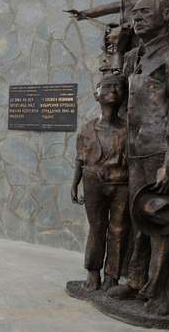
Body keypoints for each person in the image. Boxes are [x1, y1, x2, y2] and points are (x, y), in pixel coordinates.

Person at [106, 0, 169, 316]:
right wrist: (116, 45)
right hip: (137, 151)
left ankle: (165, 294)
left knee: (163, 223)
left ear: (167, 15)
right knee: (138, 220)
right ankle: (137, 282)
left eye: (144, 13)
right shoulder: (134, 57)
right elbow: (115, 89)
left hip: (164, 151)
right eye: (134, 14)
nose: (137, 18)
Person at [70, 75, 130, 291]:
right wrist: (75, 182)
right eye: (107, 86)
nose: (113, 90)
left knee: (119, 230)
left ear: (124, 96)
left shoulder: (129, 129)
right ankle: (93, 270)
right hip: (93, 180)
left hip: (122, 183)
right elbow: (80, 157)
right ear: (97, 95)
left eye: (118, 87)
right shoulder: (87, 129)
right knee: (96, 227)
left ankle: (112, 275)